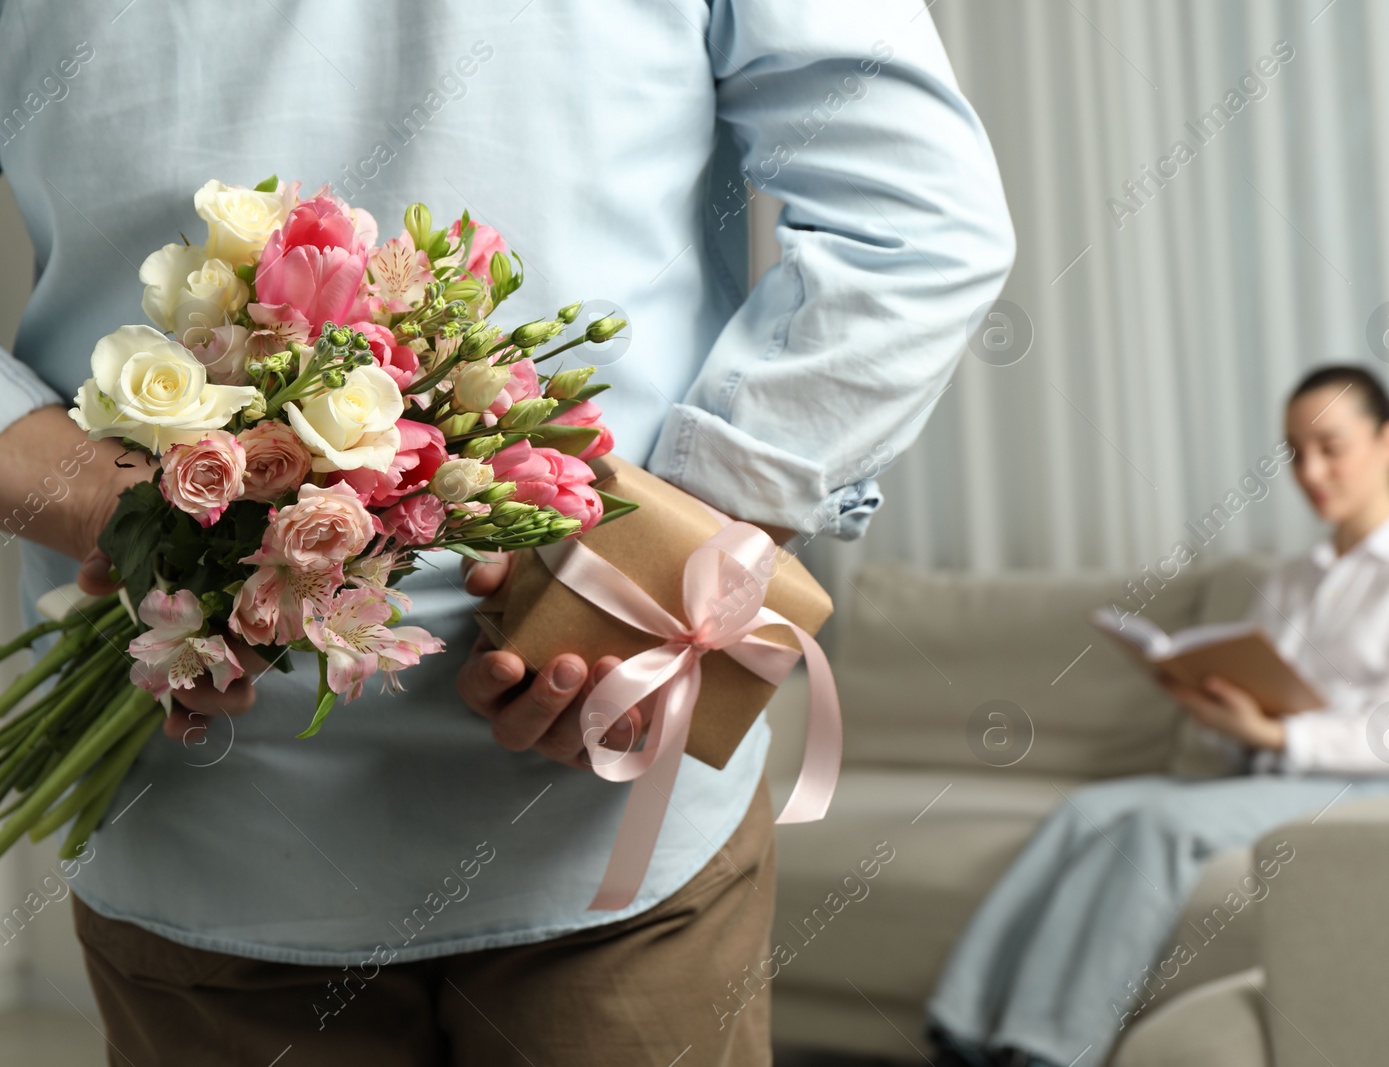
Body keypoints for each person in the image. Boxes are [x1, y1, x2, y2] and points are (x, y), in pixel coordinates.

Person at [0, 2, 1015, 1063]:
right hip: (261, 802)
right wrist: (660, 568)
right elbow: (917, 219)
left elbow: (918, 224)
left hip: (572, 804)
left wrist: (647, 577)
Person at [926, 365, 1389, 1067]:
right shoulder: (1293, 577)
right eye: (1293, 451)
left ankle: (1045, 1050)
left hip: (1379, 784)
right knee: (1084, 811)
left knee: (1161, 824)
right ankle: (961, 1028)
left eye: (1330, 446)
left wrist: (1278, 733)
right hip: (1272, 768)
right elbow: (1256, 698)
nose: (1310, 470)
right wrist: (1217, 710)